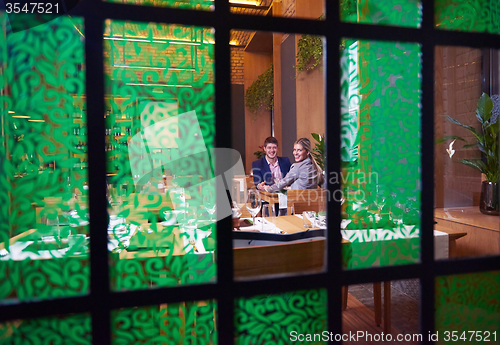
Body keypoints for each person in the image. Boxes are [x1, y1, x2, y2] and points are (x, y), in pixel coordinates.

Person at [259, 138, 324, 192]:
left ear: (307, 152)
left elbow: (283, 183)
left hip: (297, 203)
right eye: (294, 150)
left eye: (299, 150)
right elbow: (303, 187)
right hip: (310, 204)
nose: (295, 153)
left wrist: (267, 189)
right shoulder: (314, 166)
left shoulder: (297, 167)